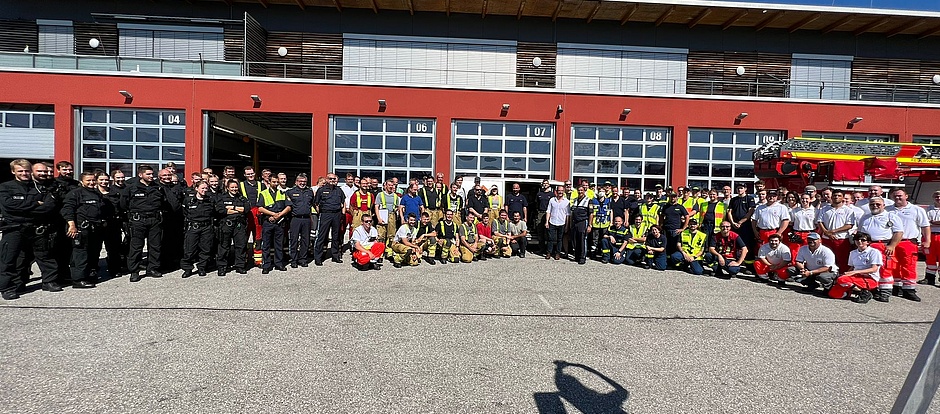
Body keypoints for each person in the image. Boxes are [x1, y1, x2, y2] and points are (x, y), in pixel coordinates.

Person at [123, 165, 172, 282]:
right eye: (148, 174)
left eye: (152, 174)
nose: (151, 176)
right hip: (138, 220)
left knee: (155, 246)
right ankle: (134, 271)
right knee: (136, 247)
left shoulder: (158, 188)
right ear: (140, 175)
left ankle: (152, 268)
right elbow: (123, 204)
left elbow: (164, 202)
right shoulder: (131, 188)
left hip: (154, 220)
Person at [59, 171, 104, 289]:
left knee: (92, 253)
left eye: (93, 180)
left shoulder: (96, 193)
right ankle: (78, 279)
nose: (91, 182)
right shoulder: (75, 193)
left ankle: (88, 274)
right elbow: (67, 210)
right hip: (80, 228)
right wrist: (72, 226)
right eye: (88, 180)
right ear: (81, 181)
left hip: (94, 228)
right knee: (80, 254)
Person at [857, 197, 903, 302]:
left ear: (884, 205)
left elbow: (899, 232)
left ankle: (885, 292)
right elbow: (860, 232)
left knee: (885, 270)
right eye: (872, 204)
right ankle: (873, 289)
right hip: (867, 247)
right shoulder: (865, 217)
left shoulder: (891, 216)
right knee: (869, 269)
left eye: (878, 204)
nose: (875, 206)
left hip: (883, 246)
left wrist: (892, 246)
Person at [887, 188, 929, 301]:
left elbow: (925, 226)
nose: (897, 198)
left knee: (909, 266)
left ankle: (909, 289)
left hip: (908, 241)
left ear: (906, 196)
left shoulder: (916, 210)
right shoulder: (887, 210)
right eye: (895, 196)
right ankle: (896, 287)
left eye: (900, 195)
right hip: (892, 242)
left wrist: (927, 240)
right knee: (893, 265)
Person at [828, 233, 880, 303]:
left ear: (868, 242)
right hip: (855, 277)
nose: (859, 241)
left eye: (863, 240)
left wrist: (855, 272)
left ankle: (864, 292)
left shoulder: (874, 252)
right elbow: (852, 267)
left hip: (870, 278)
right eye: (857, 240)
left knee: (842, 280)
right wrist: (846, 274)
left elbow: (874, 269)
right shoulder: (853, 253)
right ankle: (850, 292)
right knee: (833, 293)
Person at [180, 181, 216, 278]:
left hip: (206, 227)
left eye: (206, 188)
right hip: (193, 227)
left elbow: (214, 213)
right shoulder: (188, 200)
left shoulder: (210, 200)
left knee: (205, 249)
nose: (204, 190)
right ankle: (187, 269)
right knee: (189, 249)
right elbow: (184, 213)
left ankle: (202, 268)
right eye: (202, 188)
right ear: (196, 188)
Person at [257, 175, 292, 274]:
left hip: (280, 222)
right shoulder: (263, 194)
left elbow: (289, 207)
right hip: (268, 221)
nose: (276, 184)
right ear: (269, 182)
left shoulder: (282, 193)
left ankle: (279, 263)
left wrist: (279, 215)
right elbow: (260, 208)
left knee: (279, 244)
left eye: (277, 182)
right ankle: (266, 265)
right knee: (266, 244)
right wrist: (272, 214)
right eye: (274, 182)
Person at [815, 189, 856, 273]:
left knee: (842, 260)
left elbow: (849, 225)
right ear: (832, 197)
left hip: (841, 239)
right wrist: (826, 232)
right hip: (826, 239)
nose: (836, 197)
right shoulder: (824, 209)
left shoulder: (848, 210)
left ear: (843, 198)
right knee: (826, 259)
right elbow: (819, 221)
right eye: (835, 195)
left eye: (839, 196)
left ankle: (841, 278)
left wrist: (833, 231)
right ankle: (826, 277)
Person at [216, 179, 251, 276]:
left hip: (239, 225)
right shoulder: (222, 198)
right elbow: (220, 210)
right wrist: (238, 210)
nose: (234, 189)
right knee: (224, 246)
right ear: (227, 188)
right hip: (226, 225)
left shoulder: (242, 198)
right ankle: (222, 267)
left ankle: (240, 266)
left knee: (241, 246)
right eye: (232, 187)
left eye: (236, 187)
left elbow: (246, 209)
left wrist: (232, 208)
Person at [96, 171, 126, 278]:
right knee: (95, 249)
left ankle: (115, 269)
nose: (104, 182)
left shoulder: (114, 192)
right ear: (97, 180)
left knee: (114, 249)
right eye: (101, 180)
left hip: (113, 224)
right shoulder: (93, 192)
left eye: (106, 179)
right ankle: (93, 270)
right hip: (98, 225)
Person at [314, 173, 346, 266]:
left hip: (336, 214)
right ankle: (318, 258)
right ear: (327, 179)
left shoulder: (339, 190)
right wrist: (321, 213)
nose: (332, 180)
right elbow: (316, 204)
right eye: (330, 178)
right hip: (325, 214)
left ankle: (335, 256)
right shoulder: (321, 190)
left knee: (335, 236)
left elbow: (343, 202)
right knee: (322, 236)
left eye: (334, 179)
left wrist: (342, 214)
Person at [286, 174, 314, 268]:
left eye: (304, 182)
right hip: (295, 219)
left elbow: (312, 203)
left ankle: (303, 259)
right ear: (296, 182)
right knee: (294, 240)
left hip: (306, 219)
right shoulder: (290, 192)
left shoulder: (309, 192)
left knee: (305, 240)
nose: (302, 183)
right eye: (300, 181)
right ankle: (293, 260)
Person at [240, 166, 264, 267]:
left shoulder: (261, 185)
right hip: (246, 214)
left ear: (255, 173)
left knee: (258, 238)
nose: (250, 175)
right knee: (243, 238)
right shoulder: (240, 185)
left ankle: (258, 260)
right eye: (248, 174)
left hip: (258, 213)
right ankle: (243, 260)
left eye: (252, 173)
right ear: (245, 175)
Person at [787, 192, 816, 262]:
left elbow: (817, 224)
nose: (804, 200)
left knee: (809, 252)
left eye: (806, 199)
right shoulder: (794, 210)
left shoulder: (815, 211)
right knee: (795, 252)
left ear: (810, 200)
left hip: (809, 233)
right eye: (803, 198)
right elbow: (790, 223)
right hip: (797, 233)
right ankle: (795, 268)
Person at [545, 185, 569, 261]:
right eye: (559, 190)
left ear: (564, 191)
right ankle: (549, 253)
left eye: (562, 190)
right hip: (552, 221)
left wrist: (567, 225)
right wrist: (546, 222)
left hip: (562, 222)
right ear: (556, 191)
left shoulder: (567, 202)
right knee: (550, 238)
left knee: (560, 239)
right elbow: (548, 211)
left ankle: (557, 253)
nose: (560, 192)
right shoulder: (552, 200)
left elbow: (568, 215)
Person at [922, 190, 940, 286]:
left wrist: (933, 222)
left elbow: (929, 222)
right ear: (933, 197)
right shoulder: (928, 209)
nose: (939, 198)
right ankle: (929, 278)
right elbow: (925, 222)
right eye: (937, 196)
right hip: (930, 236)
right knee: (929, 258)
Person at [570, 186, 592, 265]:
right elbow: (572, 212)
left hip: (583, 222)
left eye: (581, 190)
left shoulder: (588, 200)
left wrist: (590, 225)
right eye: (578, 190)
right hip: (575, 222)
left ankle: (582, 257)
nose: (580, 192)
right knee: (575, 239)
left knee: (582, 240)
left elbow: (591, 214)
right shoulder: (575, 200)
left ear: (584, 191)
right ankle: (577, 256)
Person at [589, 190, 612, 258]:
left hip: (605, 223)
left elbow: (611, 211)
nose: (601, 193)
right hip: (596, 223)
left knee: (604, 238)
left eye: (603, 191)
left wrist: (611, 221)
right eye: (600, 191)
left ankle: (603, 252)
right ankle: (593, 252)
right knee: (594, 239)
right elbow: (591, 213)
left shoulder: (608, 201)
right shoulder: (593, 200)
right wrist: (590, 223)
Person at [535, 180, 554, 255]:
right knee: (540, 232)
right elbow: (536, 204)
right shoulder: (539, 194)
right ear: (542, 185)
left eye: (546, 183)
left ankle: (549, 251)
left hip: (549, 214)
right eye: (544, 184)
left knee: (548, 232)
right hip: (540, 213)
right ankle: (541, 249)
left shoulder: (552, 195)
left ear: (549, 185)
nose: (545, 185)